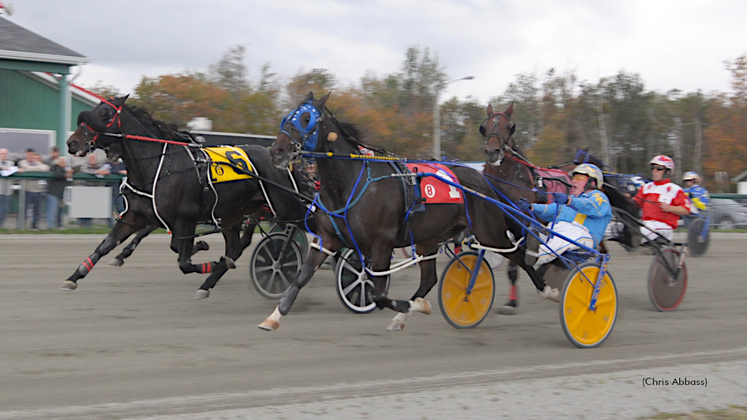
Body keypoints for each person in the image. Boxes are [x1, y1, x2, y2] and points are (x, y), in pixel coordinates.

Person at [518, 163, 612, 301]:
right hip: (557, 229)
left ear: (592, 182)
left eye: (579, 177)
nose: (573, 181)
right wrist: (531, 207)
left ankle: (537, 255)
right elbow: (550, 210)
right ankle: (518, 246)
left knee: (562, 237)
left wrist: (568, 201)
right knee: (534, 228)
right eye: (573, 178)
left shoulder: (599, 197)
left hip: (583, 235)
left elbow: (587, 206)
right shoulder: (571, 199)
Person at [633, 155, 692, 242]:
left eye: (659, 169)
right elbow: (635, 204)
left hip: (664, 226)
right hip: (645, 223)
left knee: (640, 231)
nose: (654, 171)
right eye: (653, 168)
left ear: (667, 172)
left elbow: (687, 210)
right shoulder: (646, 187)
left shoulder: (675, 189)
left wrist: (670, 208)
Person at [18, 148, 50, 230]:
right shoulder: (22, 162)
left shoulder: (39, 163)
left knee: (37, 210)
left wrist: (30, 169)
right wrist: (36, 170)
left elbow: (46, 168)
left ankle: (34, 226)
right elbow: (24, 166)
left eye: (31, 155)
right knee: (24, 210)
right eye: (28, 155)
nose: (30, 156)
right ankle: (21, 226)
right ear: (26, 155)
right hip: (27, 190)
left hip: (38, 191)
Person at [77, 153, 111, 228]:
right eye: (91, 158)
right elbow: (85, 170)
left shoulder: (99, 165)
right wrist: (96, 172)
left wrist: (105, 172)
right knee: (84, 208)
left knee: (92, 208)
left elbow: (105, 170)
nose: (93, 159)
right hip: (85, 190)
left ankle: (88, 224)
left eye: (94, 158)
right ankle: (82, 223)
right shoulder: (85, 165)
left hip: (95, 190)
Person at [46, 156, 73, 229]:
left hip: (61, 193)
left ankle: (59, 225)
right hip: (53, 193)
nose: (64, 163)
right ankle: (50, 226)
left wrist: (70, 172)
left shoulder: (66, 169)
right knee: (52, 211)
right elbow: (58, 175)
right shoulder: (55, 167)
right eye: (62, 162)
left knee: (60, 211)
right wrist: (66, 174)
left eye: (64, 162)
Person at [0, 148, 17, 228]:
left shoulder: (11, 163)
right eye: (2, 153)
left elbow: (14, 170)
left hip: (7, 191)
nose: (3, 155)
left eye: (5, 154)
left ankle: (1, 224)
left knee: (5, 209)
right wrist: (3, 168)